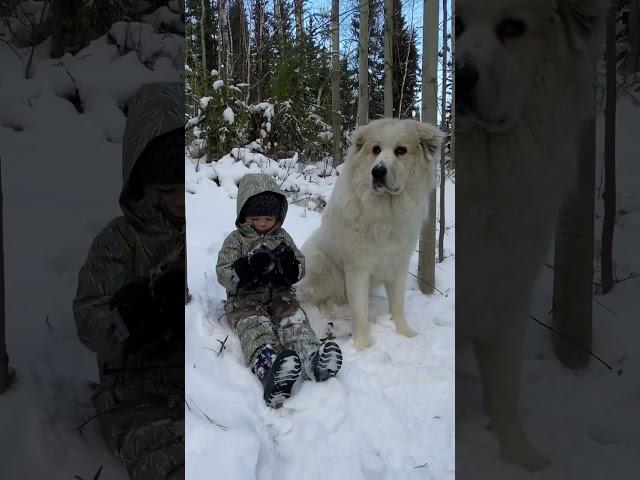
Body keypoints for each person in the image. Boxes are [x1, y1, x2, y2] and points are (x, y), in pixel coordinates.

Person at [73, 82, 185, 479]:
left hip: (201, 378)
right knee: (167, 460)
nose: (178, 201)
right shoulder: (119, 240)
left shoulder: (203, 230)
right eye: (166, 189)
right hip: (137, 390)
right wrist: (132, 316)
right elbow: (89, 321)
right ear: (141, 184)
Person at [216, 173, 342, 408]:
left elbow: (300, 265)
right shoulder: (236, 240)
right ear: (244, 215)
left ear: (278, 216)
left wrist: (291, 267)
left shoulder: (283, 238)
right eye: (256, 217)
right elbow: (223, 272)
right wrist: (243, 271)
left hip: (280, 296)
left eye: (269, 217)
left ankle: (312, 358)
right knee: (255, 327)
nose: (263, 223)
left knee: (294, 322)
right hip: (246, 301)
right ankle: (269, 365)